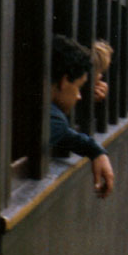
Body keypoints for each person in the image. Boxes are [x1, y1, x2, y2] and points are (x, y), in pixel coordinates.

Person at [51, 34, 115, 198]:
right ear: (65, 81)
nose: (79, 96)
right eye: (81, 86)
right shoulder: (55, 119)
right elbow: (62, 128)